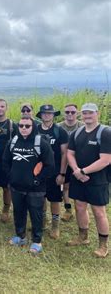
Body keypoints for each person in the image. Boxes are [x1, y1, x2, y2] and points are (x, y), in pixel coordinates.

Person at [3, 116, 54, 255]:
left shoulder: (41, 143)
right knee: (18, 211)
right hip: (16, 186)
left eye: (27, 126)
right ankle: (20, 236)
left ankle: (37, 241)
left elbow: (50, 166)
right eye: (21, 126)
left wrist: (38, 179)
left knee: (36, 214)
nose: (24, 128)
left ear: (33, 127)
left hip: (35, 189)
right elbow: (5, 161)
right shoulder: (13, 142)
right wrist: (11, 177)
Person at [67, 103, 110, 258]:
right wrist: (76, 171)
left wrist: (83, 171)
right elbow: (70, 154)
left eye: (90, 113)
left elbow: (105, 160)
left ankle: (103, 245)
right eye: (84, 113)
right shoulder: (77, 133)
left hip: (98, 179)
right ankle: (83, 237)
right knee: (79, 207)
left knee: (99, 212)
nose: (87, 116)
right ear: (81, 115)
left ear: (97, 113)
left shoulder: (105, 133)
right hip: (79, 177)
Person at [36, 104, 68, 239]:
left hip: (54, 172)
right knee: (40, 197)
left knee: (55, 199)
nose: (47, 115)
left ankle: (55, 226)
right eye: (44, 113)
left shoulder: (60, 131)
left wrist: (62, 173)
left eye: (50, 113)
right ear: (41, 115)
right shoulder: (35, 129)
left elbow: (64, 154)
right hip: (39, 171)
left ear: (54, 115)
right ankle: (43, 221)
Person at [0, 98, 17, 222]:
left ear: (6, 108)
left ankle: (6, 211)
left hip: (7, 162)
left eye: (2, 106)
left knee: (7, 187)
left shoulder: (12, 125)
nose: (0, 108)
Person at [58, 103, 85, 221]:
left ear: (77, 113)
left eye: (73, 112)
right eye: (67, 112)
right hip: (63, 161)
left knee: (77, 188)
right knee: (65, 187)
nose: (70, 114)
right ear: (64, 113)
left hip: (78, 162)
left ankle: (80, 210)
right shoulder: (58, 127)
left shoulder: (83, 127)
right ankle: (68, 210)